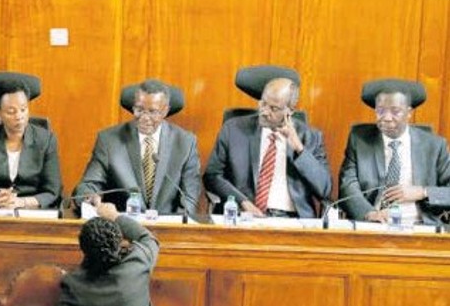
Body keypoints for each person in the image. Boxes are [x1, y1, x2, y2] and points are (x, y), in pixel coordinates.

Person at [203, 65, 331, 218]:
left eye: (273, 108)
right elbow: (212, 175)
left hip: (292, 220)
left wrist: (299, 149)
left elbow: (324, 189)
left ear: (290, 111)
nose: (264, 112)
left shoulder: (310, 137)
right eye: (263, 103)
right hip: (245, 216)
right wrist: (242, 202)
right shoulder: (234, 129)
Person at [73, 79, 201, 215]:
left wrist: (176, 227)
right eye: (139, 110)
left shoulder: (185, 143)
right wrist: (89, 196)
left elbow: (189, 197)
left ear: (165, 111)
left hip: (168, 226)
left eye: (153, 112)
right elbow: (89, 184)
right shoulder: (109, 140)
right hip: (121, 225)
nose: (145, 118)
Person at [339, 78, 450, 224]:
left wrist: (422, 192)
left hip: (419, 226)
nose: (386, 118)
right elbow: (348, 185)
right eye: (380, 111)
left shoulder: (434, 145)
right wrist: (370, 213)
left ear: (409, 112)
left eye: (395, 111)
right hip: (373, 224)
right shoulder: (359, 140)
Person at [0, 72, 62, 209]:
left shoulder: (46, 140)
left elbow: (52, 192)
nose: (19, 116)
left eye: (23, 109)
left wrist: (22, 202)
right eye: (11, 111)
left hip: (32, 214)